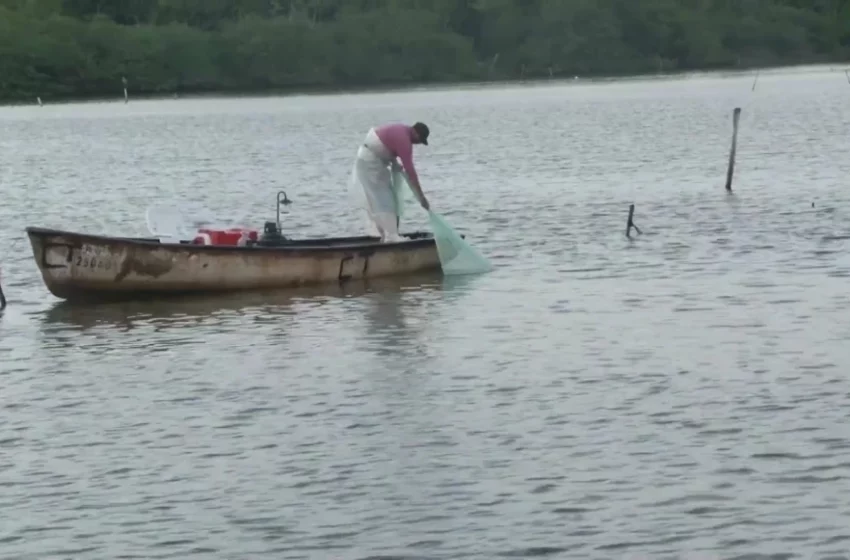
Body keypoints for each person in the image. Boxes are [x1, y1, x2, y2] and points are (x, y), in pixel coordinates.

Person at [351, 121, 431, 242]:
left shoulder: (402, 130)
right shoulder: (404, 140)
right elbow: (410, 171)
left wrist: (394, 163)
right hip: (370, 163)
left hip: (367, 160)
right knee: (385, 199)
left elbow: (386, 144)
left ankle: (385, 235)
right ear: (415, 132)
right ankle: (391, 236)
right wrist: (422, 197)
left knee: (379, 199)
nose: (418, 143)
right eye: (420, 139)